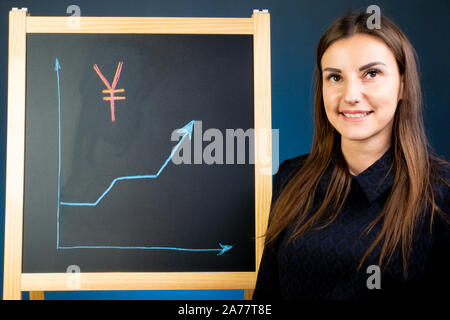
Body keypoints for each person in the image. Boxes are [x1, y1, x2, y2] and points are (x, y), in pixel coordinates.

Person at [253, 11, 449, 300]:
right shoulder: (292, 178)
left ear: (403, 85)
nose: (351, 95)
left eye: (371, 73)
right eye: (335, 77)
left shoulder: (440, 193)